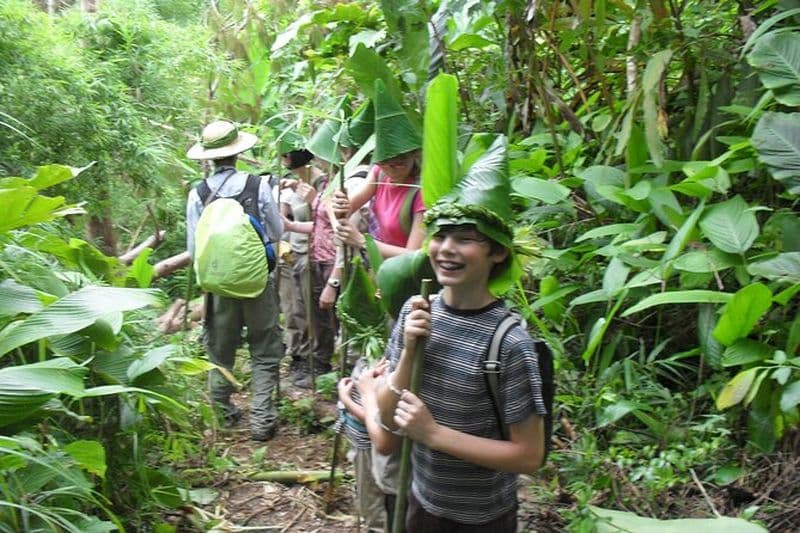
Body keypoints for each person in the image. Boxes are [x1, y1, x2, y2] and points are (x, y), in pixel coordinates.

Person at [375, 135, 547, 531]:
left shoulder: (510, 343)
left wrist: (433, 433)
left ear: (497, 252)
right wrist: (409, 353)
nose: (446, 249)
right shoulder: (416, 310)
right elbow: (387, 417)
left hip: (481, 517)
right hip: (420, 501)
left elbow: (528, 456)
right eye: (439, 236)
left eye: (465, 239)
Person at [185, 119, 284, 442]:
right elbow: (277, 231)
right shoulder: (257, 186)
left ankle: (223, 415)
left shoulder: (198, 193)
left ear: (209, 157)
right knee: (264, 349)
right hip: (258, 282)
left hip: (218, 287)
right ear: (237, 152)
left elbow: (193, 249)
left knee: (220, 350)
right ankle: (261, 420)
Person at [332, 80, 426, 259]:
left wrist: (362, 241)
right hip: (380, 265)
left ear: (413, 154)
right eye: (386, 162)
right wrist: (340, 205)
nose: (393, 168)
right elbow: (347, 210)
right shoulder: (378, 173)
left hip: (405, 272)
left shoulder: (421, 191)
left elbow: (414, 256)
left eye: (400, 161)